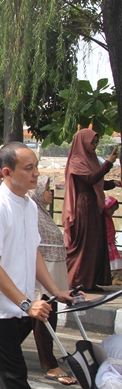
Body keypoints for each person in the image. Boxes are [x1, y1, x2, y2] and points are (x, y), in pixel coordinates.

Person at [0, 142, 77, 389]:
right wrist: (26, 303)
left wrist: (55, 291)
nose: (36, 173)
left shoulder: (28, 205)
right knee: (14, 377)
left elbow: (33, 251)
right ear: (7, 172)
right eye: (28, 168)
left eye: (36, 167)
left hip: (19, 305)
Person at [30, 176, 78, 386]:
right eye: (48, 189)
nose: (51, 193)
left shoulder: (42, 214)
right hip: (42, 277)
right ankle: (49, 364)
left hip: (51, 275)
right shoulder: (33, 215)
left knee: (42, 317)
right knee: (44, 318)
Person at [62, 129, 121, 291]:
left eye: (96, 143)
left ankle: (90, 280)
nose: (94, 146)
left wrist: (113, 183)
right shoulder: (76, 160)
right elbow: (90, 179)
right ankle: (77, 280)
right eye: (92, 142)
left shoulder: (91, 159)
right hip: (83, 207)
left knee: (96, 243)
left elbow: (98, 183)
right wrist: (108, 163)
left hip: (94, 206)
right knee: (85, 244)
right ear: (83, 142)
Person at [105, 197, 122, 270]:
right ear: (107, 208)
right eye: (112, 210)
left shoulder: (107, 217)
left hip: (111, 242)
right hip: (107, 242)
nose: (113, 213)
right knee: (110, 258)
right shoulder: (104, 218)